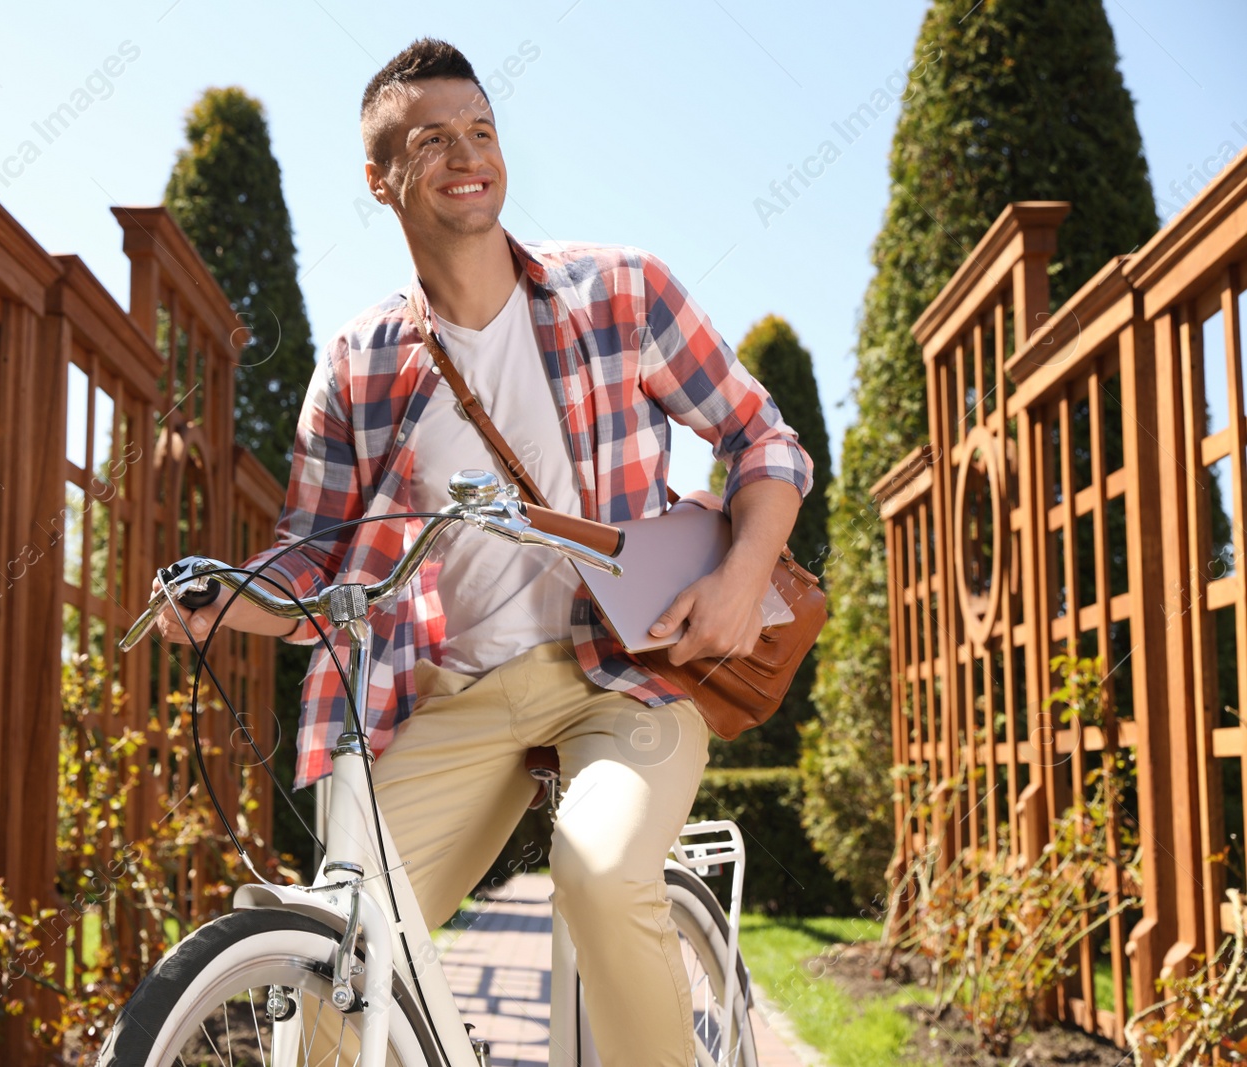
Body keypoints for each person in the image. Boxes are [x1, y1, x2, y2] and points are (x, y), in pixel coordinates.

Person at [155, 38, 811, 1067]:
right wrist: (225, 598)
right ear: (382, 180)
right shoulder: (360, 364)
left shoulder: (623, 294)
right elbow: (312, 561)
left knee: (598, 870)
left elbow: (763, 440)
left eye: (480, 133)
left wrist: (739, 578)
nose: (467, 156)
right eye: (432, 142)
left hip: (625, 678)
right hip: (455, 697)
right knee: (341, 943)